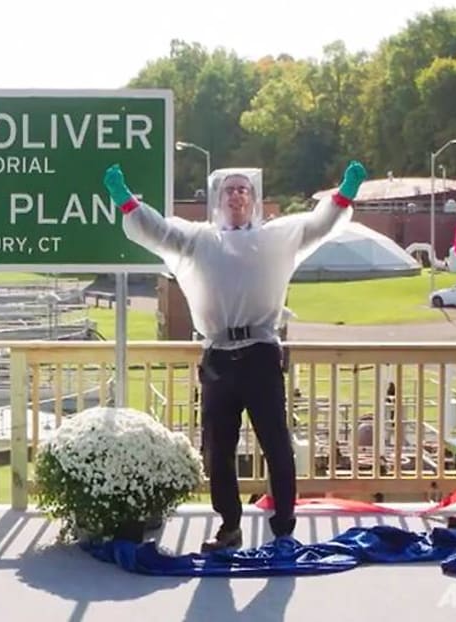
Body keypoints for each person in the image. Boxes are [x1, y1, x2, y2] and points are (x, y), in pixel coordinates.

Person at [103, 160, 367, 551]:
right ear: (218, 199)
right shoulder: (198, 240)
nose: (236, 195)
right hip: (217, 358)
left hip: (261, 353)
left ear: (254, 199)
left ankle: (283, 529)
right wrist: (126, 202)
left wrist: (344, 194)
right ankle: (229, 526)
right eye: (229, 190)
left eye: (243, 189)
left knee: (277, 444)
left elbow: (320, 225)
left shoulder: (278, 237)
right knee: (218, 449)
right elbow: (157, 231)